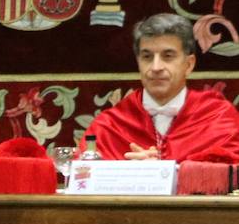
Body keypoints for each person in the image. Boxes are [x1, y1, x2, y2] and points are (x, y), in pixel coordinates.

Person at [78, 13, 239, 161]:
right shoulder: (108, 126)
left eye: (167, 56)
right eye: (147, 57)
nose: (156, 67)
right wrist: (125, 175)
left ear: (189, 64)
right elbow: (80, 179)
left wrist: (164, 173)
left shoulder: (218, 117)